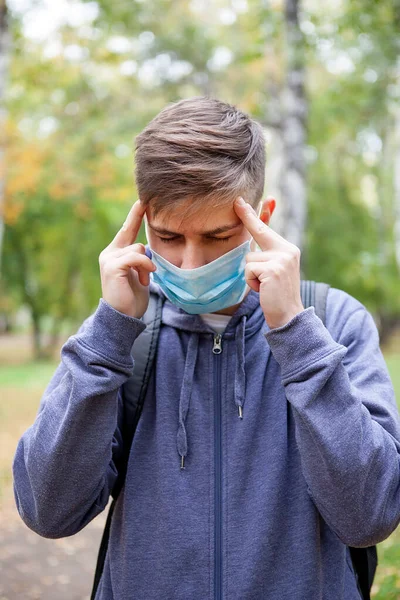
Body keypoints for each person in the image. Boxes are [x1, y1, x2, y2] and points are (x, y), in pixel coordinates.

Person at [12, 96, 400, 600]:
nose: (191, 263)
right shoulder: (120, 333)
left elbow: (371, 514)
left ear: (263, 217)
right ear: (142, 221)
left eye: (218, 235)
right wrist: (109, 333)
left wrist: (295, 338)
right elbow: (48, 510)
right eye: (169, 235)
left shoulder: (333, 322)